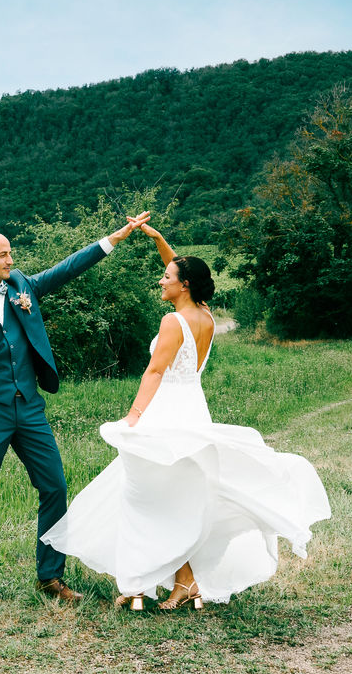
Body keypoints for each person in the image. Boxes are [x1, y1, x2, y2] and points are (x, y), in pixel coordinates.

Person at [41, 220, 331, 611]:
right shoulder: (206, 316)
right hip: (193, 408)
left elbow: (155, 371)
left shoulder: (172, 321)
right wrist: (159, 240)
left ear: (184, 285)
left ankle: (140, 583)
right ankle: (185, 582)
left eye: (166, 277)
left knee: (145, 497)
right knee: (180, 497)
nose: (161, 281)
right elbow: (182, 267)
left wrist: (133, 416)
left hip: (165, 412)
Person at [0, 212, 150, 608]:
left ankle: (50, 576)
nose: (9, 260)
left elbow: (66, 269)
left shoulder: (22, 287)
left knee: (54, 485)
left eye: (10, 254)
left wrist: (114, 239)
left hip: (31, 410)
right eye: (2, 255)